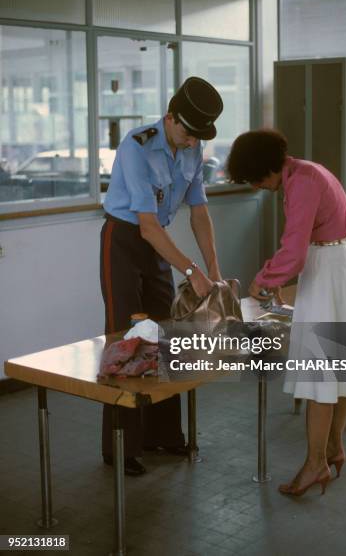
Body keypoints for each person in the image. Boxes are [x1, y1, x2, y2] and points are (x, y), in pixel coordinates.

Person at [226, 128, 346, 496]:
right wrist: (279, 272)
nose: (255, 186)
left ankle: (315, 465)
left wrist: (263, 279)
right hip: (341, 262)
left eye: (252, 179)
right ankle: (333, 448)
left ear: (263, 170)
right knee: (338, 364)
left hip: (328, 268)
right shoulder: (305, 171)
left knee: (319, 373)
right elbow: (297, 244)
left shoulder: (301, 183)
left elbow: (293, 253)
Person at [100, 77, 223, 476]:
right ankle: (122, 447)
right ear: (170, 118)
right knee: (127, 338)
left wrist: (214, 273)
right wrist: (191, 270)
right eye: (188, 133)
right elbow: (148, 226)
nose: (191, 144)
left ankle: (164, 434)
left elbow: (199, 211)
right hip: (123, 242)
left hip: (158, 245)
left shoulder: (193, 145)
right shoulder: (137, 146)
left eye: (197, 138)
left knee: (165, 335)